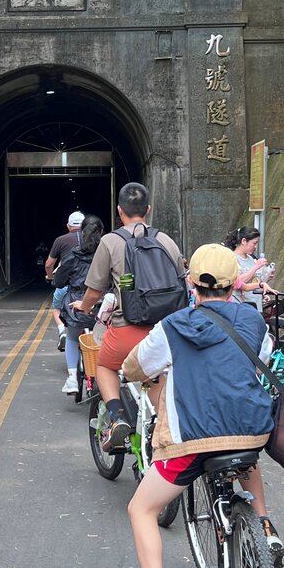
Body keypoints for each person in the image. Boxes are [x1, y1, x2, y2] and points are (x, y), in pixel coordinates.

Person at [123, 244, 277, 568]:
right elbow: (258, 360)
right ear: (235, 284)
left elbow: (134, 367)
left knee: (141, 509)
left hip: (194, 439)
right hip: (250, 432)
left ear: (191, 282)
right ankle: (264, 528)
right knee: (246, 457)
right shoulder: (252, 320)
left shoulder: (175, 326)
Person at [71, 182, 186, 452]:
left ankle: (118, 417)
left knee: (104, 366)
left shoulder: (111, 241)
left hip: (127, 330)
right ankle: (161, 430)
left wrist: (84, 308)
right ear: (148, 209)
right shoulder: (166, 240)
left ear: (119, 211)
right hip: (165, 332)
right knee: (157, 375)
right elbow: (182, 280)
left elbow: (95, 289)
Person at [54, 215, 103, 395]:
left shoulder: (73, 255)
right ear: (101, 233)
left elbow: (58, 281)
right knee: (105, 340)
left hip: (77, 303)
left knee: (73, 338)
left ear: (82, 233)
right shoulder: (107, 254)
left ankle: (72, 378)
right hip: (101, 304)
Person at [45, 211, 85, 351]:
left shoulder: (61, 240)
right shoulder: (95, 240)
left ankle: (62, 331)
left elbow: (49, 264)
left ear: (68, 226)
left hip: (67, 285)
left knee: (57, 309)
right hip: (90, 287)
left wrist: (50, 277)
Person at [225, 227, 274, 310]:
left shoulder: (251, 258)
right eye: (254, 243)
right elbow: (238, 282)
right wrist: (256, 267)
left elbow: (255, 280)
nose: (256, 247)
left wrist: (266, 277)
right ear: (244, 241)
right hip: (242, 307)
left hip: (256, 306)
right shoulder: (232, 258)